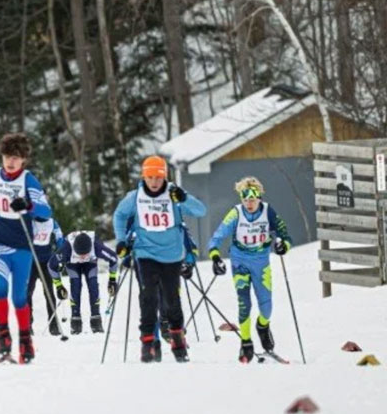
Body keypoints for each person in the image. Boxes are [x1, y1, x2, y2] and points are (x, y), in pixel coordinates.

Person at [112, 155, 206, 363]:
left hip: (172, 255)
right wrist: (121, 240)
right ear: (144, 177)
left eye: (158, 177)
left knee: (171, 300)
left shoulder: (173, 194)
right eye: (150, 177)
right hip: (145, 252)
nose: (154, 182)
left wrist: (184, 199)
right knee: (148, 297)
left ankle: (178, 340)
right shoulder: (135, 197)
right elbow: (119, 215)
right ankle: (148, 342)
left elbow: (200, 210)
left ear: (165, 176)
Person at [0, 133, 52, 363]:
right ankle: (3, 339)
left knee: (18, 297)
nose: (10, 162)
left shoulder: (28, 180)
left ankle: (25, 342)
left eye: (15, 157)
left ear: (23, 159)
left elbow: (46, 211)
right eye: (7, 156)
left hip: (23, 247)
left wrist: (28, 205)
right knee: (0, 288)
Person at [207, 176, 292, 363]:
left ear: (259, 198)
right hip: (240, 262)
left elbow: (285, 234)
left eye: (252, 199)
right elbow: (216, 237)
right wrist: (215, 256)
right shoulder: (236, 213)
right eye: (245, 200)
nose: (249, 204)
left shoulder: (268, 211)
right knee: (244, 303)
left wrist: (283, 245)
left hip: (261, 263)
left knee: (266, 307)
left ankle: (262, 326)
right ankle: (246, 341)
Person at [47, 231, 119, 334]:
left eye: (85, 254)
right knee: (75, 285)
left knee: (93, 284)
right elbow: (51, 265)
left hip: (90, 262)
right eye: (80, 254)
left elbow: (114, 258)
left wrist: (112, 280)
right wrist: (59, 286)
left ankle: (96, 319)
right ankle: (75, 320)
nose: (82, 257)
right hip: (72, 263)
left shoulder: (97, 247)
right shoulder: (66, 249)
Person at [27, 216, 64, 335]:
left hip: (46, 261)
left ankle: (53, 325)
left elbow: (60, 239)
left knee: (49, 292)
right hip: (31, 262)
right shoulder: (29, 221)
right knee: (27, 293)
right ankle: (27, 324)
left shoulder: (52, 222)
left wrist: (60, 257)